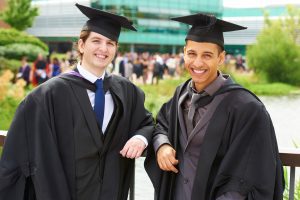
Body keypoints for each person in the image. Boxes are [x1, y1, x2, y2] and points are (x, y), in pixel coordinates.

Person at [0, 4, 153, 200]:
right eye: (96, 41)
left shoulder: (126, 91)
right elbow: (19, 155)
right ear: (81, 45)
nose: (103, 49)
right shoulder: (47, 95)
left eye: (110, 43)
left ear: (116, 49)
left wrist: (140, 138)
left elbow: (146, 123)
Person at [144, 13, 284, 200]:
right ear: (184, 52)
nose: (198, 63)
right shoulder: (180, 95)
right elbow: (161, 124)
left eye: (207, 55)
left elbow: (252, 175)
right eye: (192, 54)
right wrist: (162, 145)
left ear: (221, 58)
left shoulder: (247, 109)